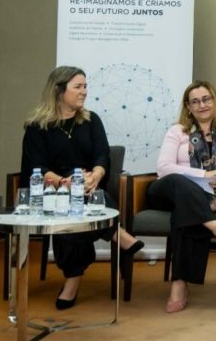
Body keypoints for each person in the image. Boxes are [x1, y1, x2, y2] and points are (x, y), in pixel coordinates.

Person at [20, 66, 144, 310]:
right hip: (52, 190)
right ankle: (119, 235)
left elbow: (102, 154)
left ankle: (72, 283)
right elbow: (36, 166)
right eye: (78, 86)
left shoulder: (91, 120)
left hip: (89, 185)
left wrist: (96, 175)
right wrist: (64, 182)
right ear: (59, 90)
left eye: (85, 86)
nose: (84, 91)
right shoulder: (37, 127)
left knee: (83, 201)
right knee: (71, 204)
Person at [148, 80, 216, 313]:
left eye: (206, 99)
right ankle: (215, 226)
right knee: (180, 182)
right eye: (195, 101)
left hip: (203, 197)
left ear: (214, 100)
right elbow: (164, 168)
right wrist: (203, 174)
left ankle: (179, 284)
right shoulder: (177, 131)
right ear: (188, 107)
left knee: (186, 208)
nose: (202, 105)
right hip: (167, 191)